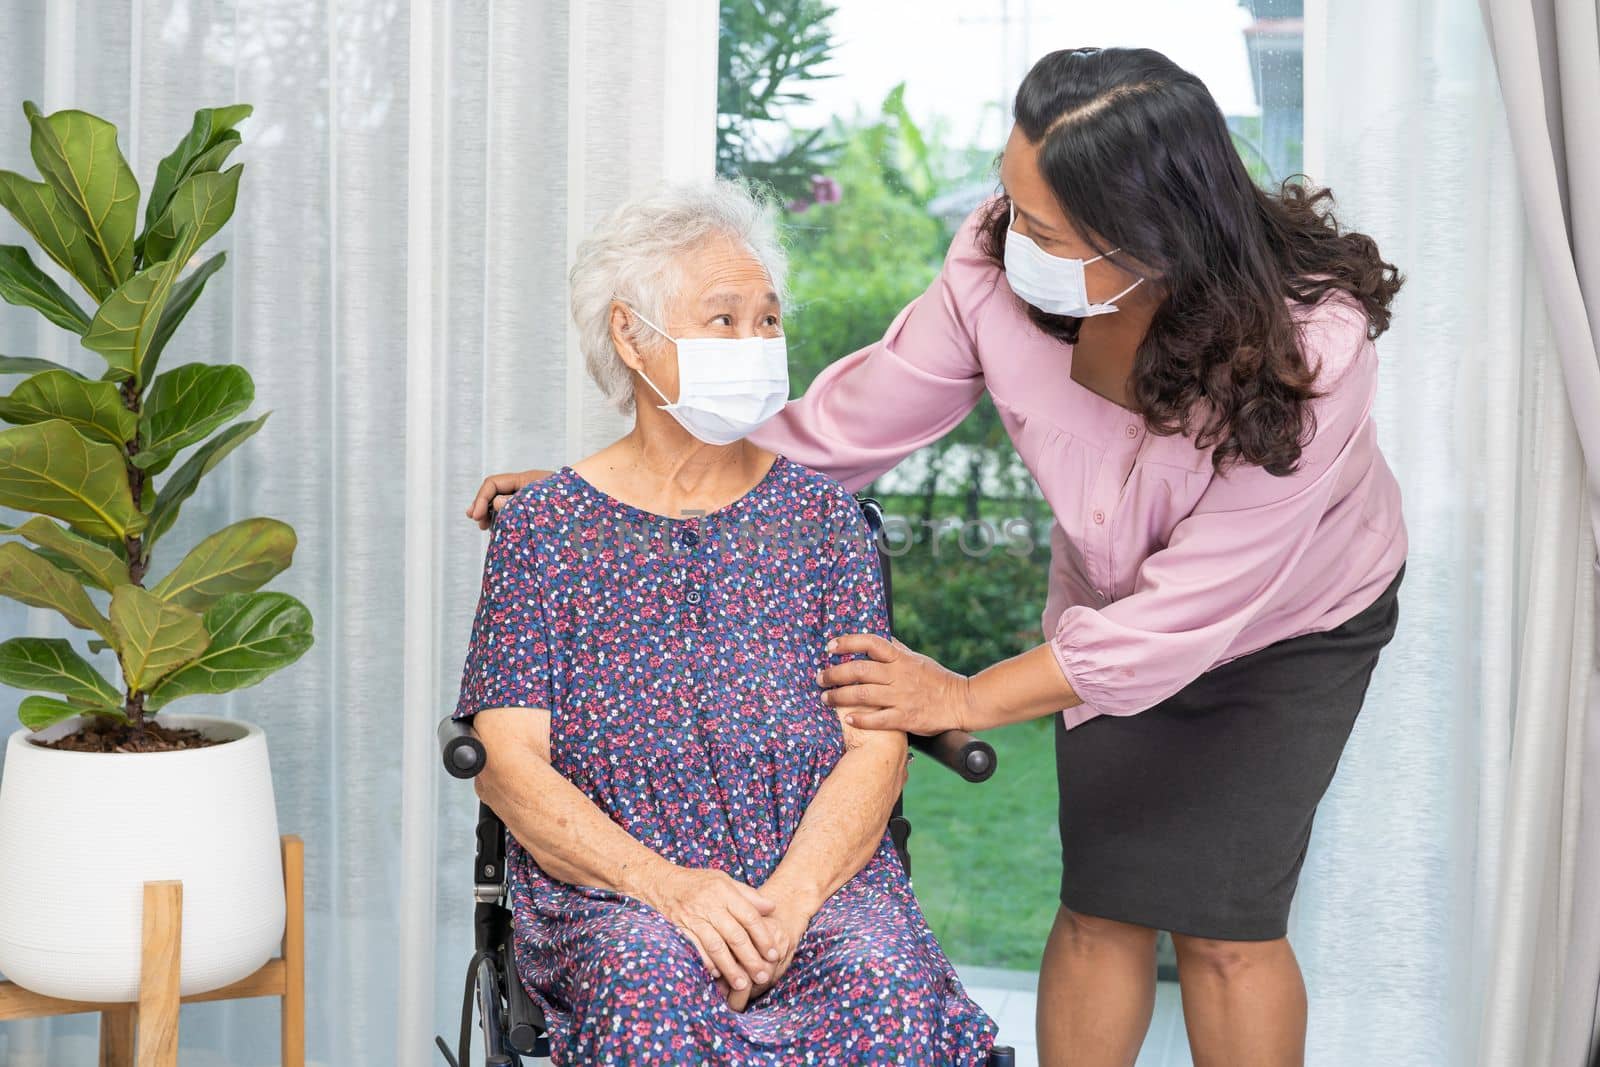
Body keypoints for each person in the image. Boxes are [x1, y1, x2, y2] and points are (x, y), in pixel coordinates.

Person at [467, 47, 1409, 1067]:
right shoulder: (996, 268)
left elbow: (1186, 614)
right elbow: (848, 424)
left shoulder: (1310, 347)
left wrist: (959, 696)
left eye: (1041, 223)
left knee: (1227, 926)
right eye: (1010, 197)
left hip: (1287, 625)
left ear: (1142, 232)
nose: (1009, 231)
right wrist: (620, 484)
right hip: (1106, 605)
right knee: (1103, 902)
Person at [452, 179, 997, 1065]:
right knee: (648, 982)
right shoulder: (545, 531)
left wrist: (788, 901)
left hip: (817, 883)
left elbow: (875, 745)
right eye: (724, 319)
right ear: (631, 334)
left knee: (883, 975)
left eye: (769, 320)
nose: (756, 342)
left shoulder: (826, 524)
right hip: (621, 895)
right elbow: (509, 763)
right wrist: (672, 890)